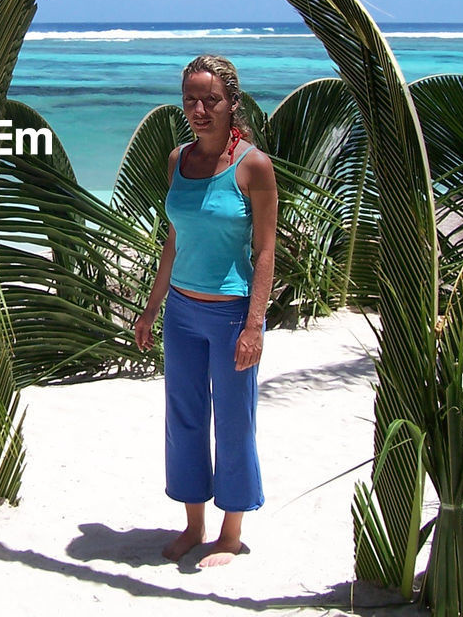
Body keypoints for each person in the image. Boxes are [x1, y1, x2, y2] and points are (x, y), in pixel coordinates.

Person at [134, 54, 277, 568]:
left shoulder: (254, 165)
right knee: (185, 417)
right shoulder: (178, 160)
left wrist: (254, 325)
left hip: (231, 314)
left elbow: (265, 250)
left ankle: (231, 532)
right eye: (190, 99)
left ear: (232, 103)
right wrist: (152, 309)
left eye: (210, 99)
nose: (199, 108)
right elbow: (173, 241)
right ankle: (194, 525)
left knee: (234, 421)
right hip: (182, 312)